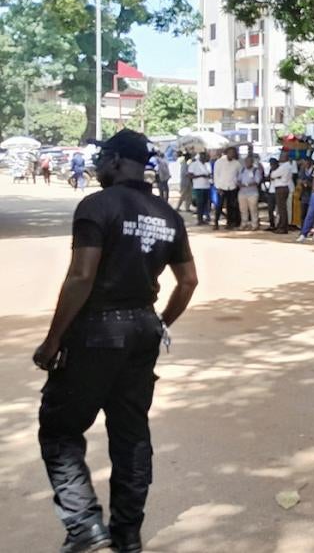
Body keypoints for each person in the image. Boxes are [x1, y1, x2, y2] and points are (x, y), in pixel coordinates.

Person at [32, 129, 198, 553]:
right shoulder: (167, 215)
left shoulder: (96, 206)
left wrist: (53, 341)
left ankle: (85, 526)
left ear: (121, 161)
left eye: (105, 156)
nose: (99, 163)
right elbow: (188, 281)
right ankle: (127, 535)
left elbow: (82, 276)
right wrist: (162, 322)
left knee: (60, 429)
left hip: (96, 332)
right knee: (131, 435)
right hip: (142, 329)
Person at [211, 147, 241, 230]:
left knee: (231, 206)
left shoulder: (237, 163)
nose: (232, 154)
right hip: (222, 187)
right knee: (219, 206)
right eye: (230, 152)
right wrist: (218, 187)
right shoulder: (219, 162)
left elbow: (239, 175)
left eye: (233, 153)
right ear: (226, 153)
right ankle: (216, 222)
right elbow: (216, 175)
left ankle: (230, 222)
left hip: (232, 187)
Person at [269, 156, 295, 234]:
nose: (280, 157)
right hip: (282, 187)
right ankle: (281, 225)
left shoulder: (285, 166)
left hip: (281, 188)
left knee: (282, 209)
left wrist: (276, 176)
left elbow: (273, 175)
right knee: (281, 209)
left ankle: (283, 227)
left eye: (282, 155)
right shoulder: (285, 166)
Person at [236, 156, 262, 230]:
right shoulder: (242, 170)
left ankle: (255, 224)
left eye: (249, 162)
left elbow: (257, 182)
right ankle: (244, 223)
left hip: (253, 193)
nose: (247, 163)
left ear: (252, 162)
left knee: (253, 209)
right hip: (242, 192)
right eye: (246, 162)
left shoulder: (255, 171)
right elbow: (238, 179)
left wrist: (247, 184)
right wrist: (239, 184)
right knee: (243, 209)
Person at [186, 153, 212, 226]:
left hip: (207, 186)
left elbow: (209, 174)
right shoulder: (194, 164)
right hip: (198, 187)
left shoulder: (207, 165)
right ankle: (199, 219)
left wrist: (209, 176)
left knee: (206, 204)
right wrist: (200, 176)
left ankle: (205, 218)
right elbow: (189, 175)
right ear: (201, 157)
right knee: (199, 204)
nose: (206, 158)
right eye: (205, 157)